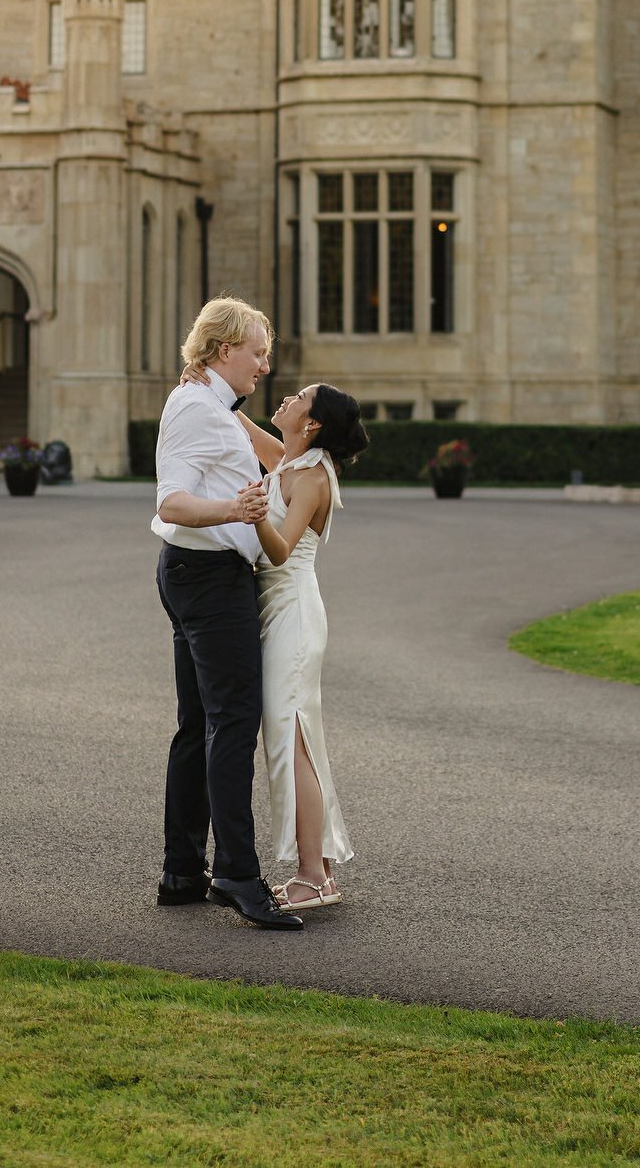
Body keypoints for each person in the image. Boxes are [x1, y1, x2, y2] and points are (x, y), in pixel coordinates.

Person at [150, 295, 302, 931]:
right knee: (232, 721)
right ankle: (238, 873)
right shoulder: (193, 407)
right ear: (221, 350)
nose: (265, 365)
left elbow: (276, 460)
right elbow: (173, 504)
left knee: (199, 723)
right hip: (207, 579)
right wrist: (235, 514)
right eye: (258, 352)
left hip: (199, 576)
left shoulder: (211, 406)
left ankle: (183, 871)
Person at [235, 383, 368, 909]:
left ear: (311, 423)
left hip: (293, 616)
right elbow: (261, 445)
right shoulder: (291, 462)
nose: (287, 397)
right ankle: (322, 871)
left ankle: (312, 877)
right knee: (297, 741)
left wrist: (254, 515)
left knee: (292, 743)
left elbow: (283, 549)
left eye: (299, 397)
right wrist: (222, 402)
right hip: (278, 614)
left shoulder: (311, 477)